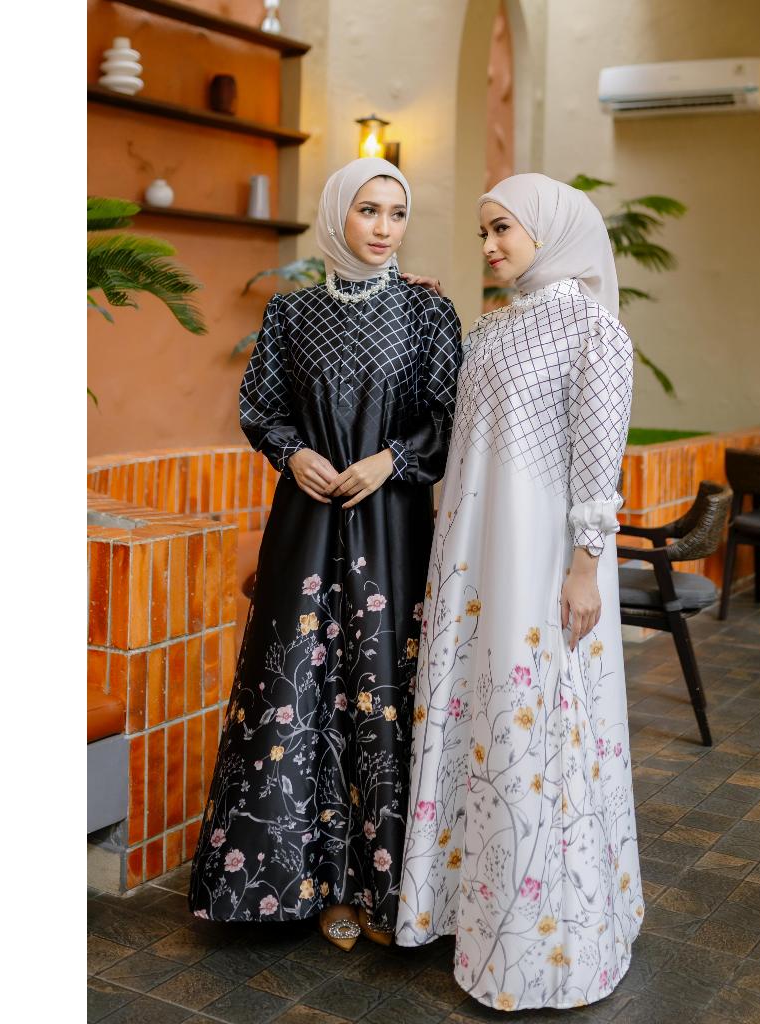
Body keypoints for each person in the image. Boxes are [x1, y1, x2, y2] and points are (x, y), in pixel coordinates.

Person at [188, 158, 462, 951]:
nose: (384, 228)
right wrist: (293, 452)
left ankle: (383, 887)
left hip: (392, 526)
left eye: (397, 213)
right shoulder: (291, 312)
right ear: (338, 213)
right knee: (295, 689)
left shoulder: (428, 314)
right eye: (369, 210)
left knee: (381, 687)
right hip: (305, 523)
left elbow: (449, 416)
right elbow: (260, 406)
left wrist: (390, 461)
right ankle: (302, 886)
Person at [395, 173, 643, 1010]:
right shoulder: (493, 327)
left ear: (550, 228)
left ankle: (549, 943)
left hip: (541, 558)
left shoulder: (593, 330)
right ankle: (467, 911)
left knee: (541, 718)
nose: (491, 245)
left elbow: (597, 461)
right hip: (476, 553)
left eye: (503, 228)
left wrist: (585, 566)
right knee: (481, 712)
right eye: (483, 232)